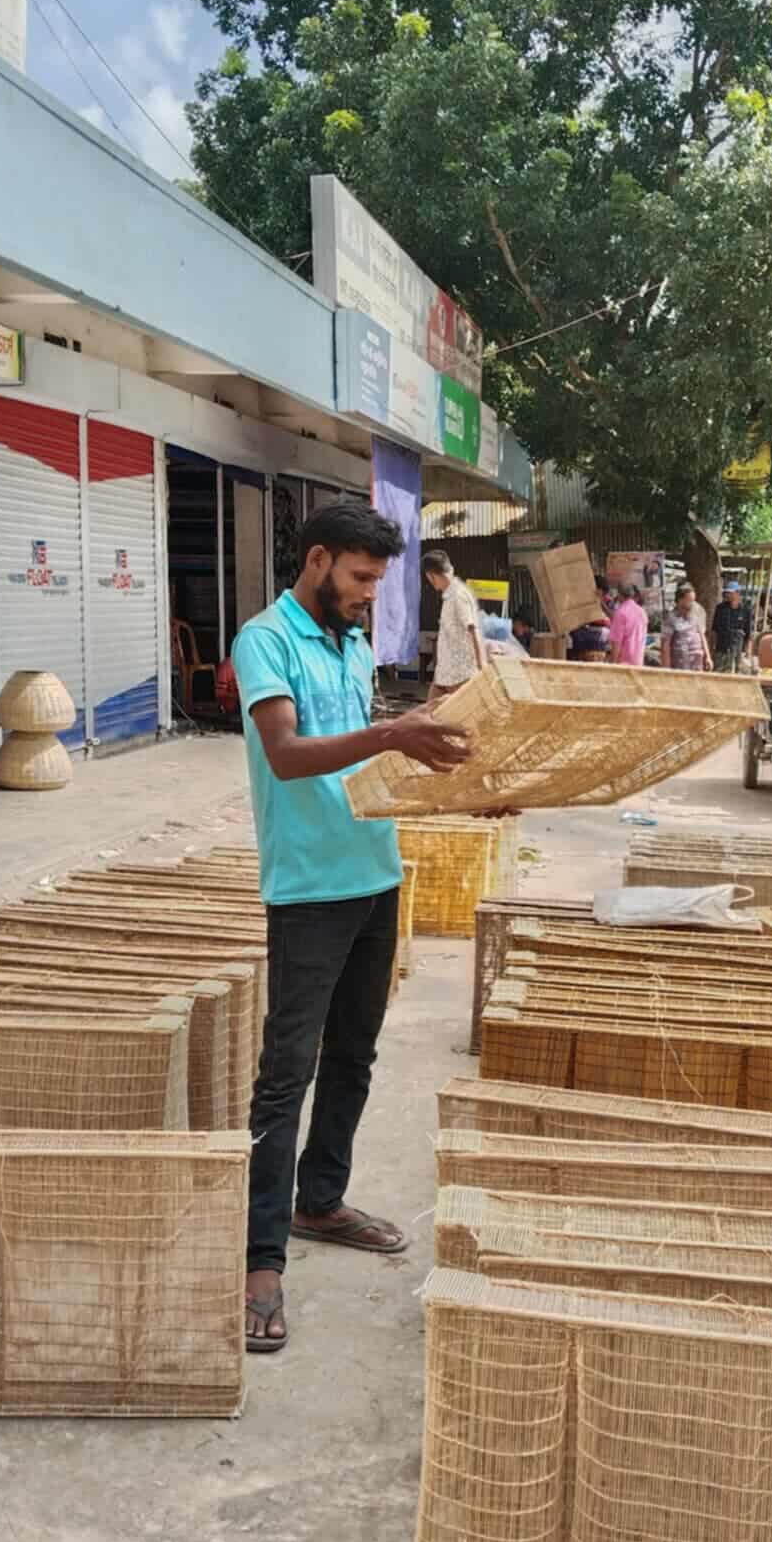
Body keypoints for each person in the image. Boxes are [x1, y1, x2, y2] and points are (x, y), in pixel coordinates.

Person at [231, 502, 472, 1353]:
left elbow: (370, 762)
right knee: (285, 1073)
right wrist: (390, 732)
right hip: (308, 886)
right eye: (362, 578)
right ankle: (261, 1260)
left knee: (354, 1054)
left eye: (378, 581)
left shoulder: (351, 643)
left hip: (376, 871)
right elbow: (289, 755)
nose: (372, 596)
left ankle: (321, 1199)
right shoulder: (264, 640)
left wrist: (460, 781)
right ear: (318, 561)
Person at [423, 548, 485, 698]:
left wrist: (482, 665)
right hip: (445, 672)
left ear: (431, 576)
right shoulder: (450, 595)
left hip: (460, 674)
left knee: (458, 712)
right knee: (430, 709)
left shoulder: (458, 595)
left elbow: (473, 629)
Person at [661, 581, 712, 672]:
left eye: (693, 600)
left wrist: (708, 657)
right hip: (680, 664)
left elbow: (702, 635)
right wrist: (666, 668)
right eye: (690, 600)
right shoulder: (671, 618)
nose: (693, 603)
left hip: (697, 663)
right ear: (680, 600)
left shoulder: (697, 612)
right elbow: (665, 644)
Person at [712, 580, 750, 673]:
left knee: (735, 674)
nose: (728, 595)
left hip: (737, 651)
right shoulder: (720, 608)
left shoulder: (745, 610)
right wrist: (712, 647)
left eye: (730, 593)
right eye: (727, 592)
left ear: (737, 593)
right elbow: (715, 629)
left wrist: (747, 650)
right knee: (718, 673)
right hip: (721, 649)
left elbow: (748, 632)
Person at [608, 584, 648, 667]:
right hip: (638, 662)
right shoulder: (642, 612)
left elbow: (616, 642)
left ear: (619, 595)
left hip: (623, 664)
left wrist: (612, 664)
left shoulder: (621, 613)